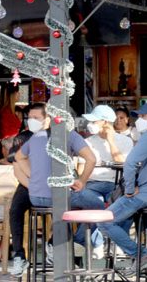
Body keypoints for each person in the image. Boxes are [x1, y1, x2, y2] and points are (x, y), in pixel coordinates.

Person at [15, 103, 101, 257]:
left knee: (75, 205)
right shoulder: (70, 135)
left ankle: (56, 245)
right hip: (57, 196)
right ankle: (76, 243)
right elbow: (91, 159)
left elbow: (18, 157)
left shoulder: (36, 136)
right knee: (98, 205)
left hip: (35, 197)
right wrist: (82, 181)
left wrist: (33, 176)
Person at [98, 103, 147, 275]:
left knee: (104, 221)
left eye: (143, 116)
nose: (139, 120)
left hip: (143, 194)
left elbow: (130, 163)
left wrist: (129, 189)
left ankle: (142, 254)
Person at [8, 103, 43, 277]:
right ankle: (19, 256)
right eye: (30, 118)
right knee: (15, 210)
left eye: (37, 118)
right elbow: (17, 168)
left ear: (47, 119)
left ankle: (53, 245)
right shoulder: (22, 138)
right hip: (27, 184)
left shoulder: (55, 138)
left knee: (66, 208)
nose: (32, 121)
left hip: (49, 185)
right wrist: (32, 186)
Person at [80, 105, 133, 204]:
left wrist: (110, 141)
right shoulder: (86, 142)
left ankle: (104, 210)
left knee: (120, 202)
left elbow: (123, 163)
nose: (90, 124)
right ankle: (104, 210)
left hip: (116, 185)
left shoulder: (126, 141)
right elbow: (81, 169)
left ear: (105, 122)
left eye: (94, 121)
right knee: (84, 198)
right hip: (92, 184)